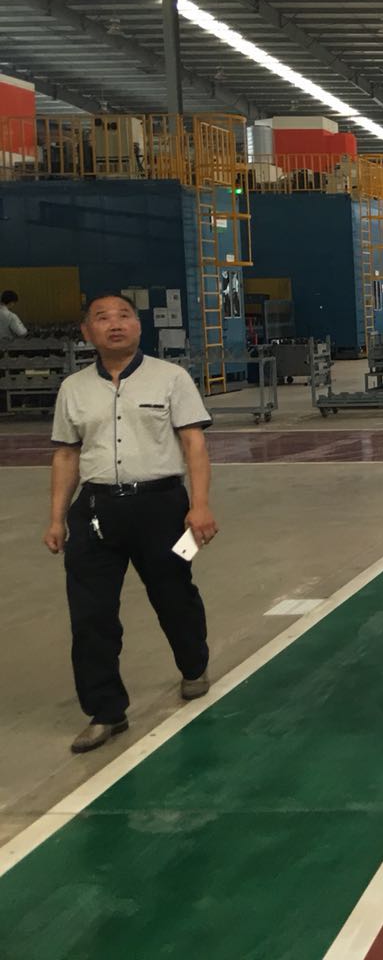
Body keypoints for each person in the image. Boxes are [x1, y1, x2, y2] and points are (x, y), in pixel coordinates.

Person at [43, 293, 218, 753]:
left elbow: (194, 445)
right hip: (95, 511)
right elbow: (66, 455)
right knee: (90, 614)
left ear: (138, 327)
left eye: (124, 316)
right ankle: (105, 711)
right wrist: (57, 518)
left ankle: (193, 664)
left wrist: (200, 505)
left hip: (164, 508)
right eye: (102, 318)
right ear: (87, 332)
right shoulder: (73, 388)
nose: (114, 324)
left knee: (174, 593)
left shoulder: (171, 378)